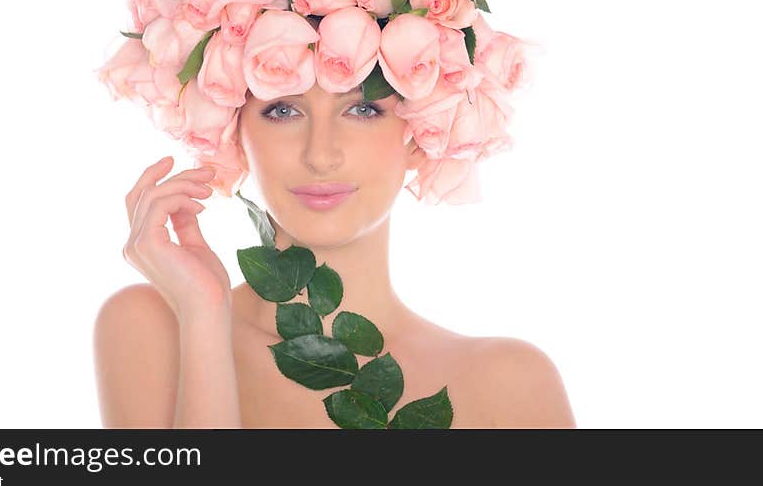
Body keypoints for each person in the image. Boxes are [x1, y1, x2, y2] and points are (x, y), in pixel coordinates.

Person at [93, 81, 577, 429]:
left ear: (421, 133)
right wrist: (204, 318)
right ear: (234, 132)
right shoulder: (155, 328)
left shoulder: (511, 385)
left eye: (363, 109)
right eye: (283, 110)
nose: (320, 155)